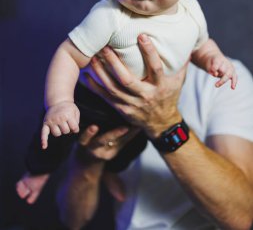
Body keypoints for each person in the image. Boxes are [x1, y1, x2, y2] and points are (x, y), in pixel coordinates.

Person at [16, 0, 238, 204]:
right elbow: (67, 54)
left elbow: (200, 45)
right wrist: (61, 102)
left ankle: (112, 172)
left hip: (140, 114)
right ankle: (37, 173)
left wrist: (214, 58)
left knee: (131, 148)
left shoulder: (192, 12)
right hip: (93, 102)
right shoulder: (109, 17)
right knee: (55, 136)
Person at [57, 35, 253, 230]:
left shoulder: (223, 79)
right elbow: (72, 220)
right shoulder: (103, 79)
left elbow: (241, 215)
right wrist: (88, 163)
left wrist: (165, 123)